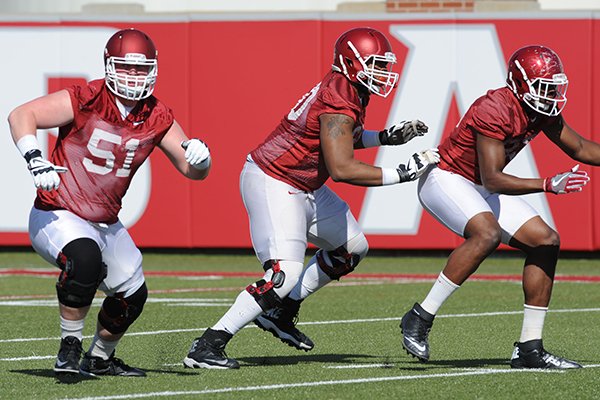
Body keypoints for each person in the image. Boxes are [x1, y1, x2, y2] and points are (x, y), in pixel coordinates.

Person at [183, 27, 439, 369]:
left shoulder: (348, 89)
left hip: (304, 184)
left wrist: (385, 138)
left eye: (383, 65)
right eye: (375, 64)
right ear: (352, 63)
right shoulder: (339, 99)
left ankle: (281, 311)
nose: (382, 73)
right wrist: (403, 172)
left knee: (351, 248)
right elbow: (342, 167)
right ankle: (208, 344)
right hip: (275, 180)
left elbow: (341, 137)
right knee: (283, 274)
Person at [8, 28, 212, 377]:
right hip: (58, 211)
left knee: (133, 296)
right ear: (108, 65)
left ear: (154, 69)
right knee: (84, 261)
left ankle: (99, 358)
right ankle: (68, 350)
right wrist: (34, 157)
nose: (134, 76)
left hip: (105, 220)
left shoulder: (157, 114)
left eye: (141, 68)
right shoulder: (86, 98)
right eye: (126, 67)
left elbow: (191, 171)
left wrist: (202, 160)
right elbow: (21, 115)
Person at [399, 45, 599, 369]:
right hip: (447, 178)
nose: (551, 95)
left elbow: (577, 147)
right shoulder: (494, 108)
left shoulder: (539, 109)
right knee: (486, 233)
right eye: (543, 87)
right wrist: (547, 184)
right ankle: (419, 317)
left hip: (478, 185)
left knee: (546, 241)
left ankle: (529, 349)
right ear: (520, 84)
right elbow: (493, 179)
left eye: (554, 87)